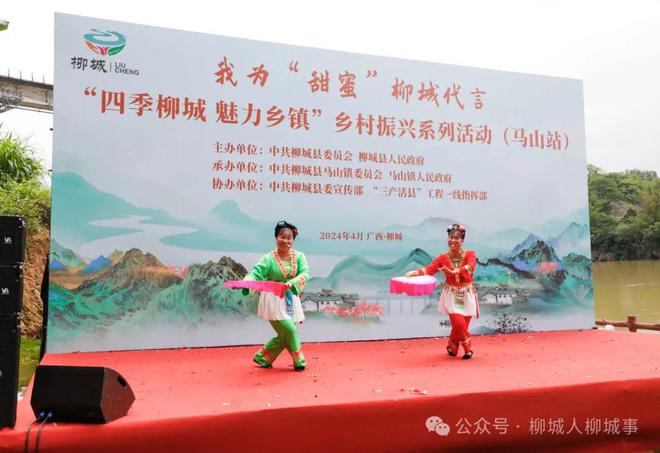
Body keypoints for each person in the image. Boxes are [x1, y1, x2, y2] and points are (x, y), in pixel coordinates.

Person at [243, 220, 309, 371]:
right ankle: (299, 360)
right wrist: (248, 280)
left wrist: (292, 282)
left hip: (289, 298)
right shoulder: (268, 258)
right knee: (290, 330)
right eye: (282, 237)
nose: (285, 241)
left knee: (285, 333)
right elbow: (256, 272)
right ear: (276, 237)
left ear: (293, 239)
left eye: (289, 237)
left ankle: (263, 357)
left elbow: (305, 273)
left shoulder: (299, 256)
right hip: (273, 299)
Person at [406, 224, 478, 359]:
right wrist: (416, 272)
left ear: (462, 240)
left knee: (461, 326)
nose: (453, 241)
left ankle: (452, 346)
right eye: (451, 237)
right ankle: (468, 348)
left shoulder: (470, 254)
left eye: (457, 238)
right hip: (451, 294)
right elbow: (430, 268)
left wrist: (459, 270)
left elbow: (471, 265)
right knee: (458, 323)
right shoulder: (443, 258)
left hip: (467, 293)